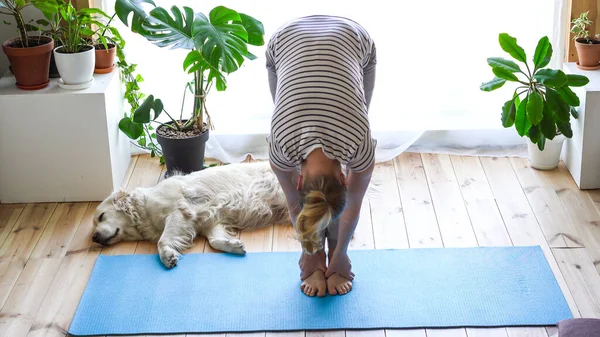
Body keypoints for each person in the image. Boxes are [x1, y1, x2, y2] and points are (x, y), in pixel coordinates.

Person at [265, 15, 377, 297]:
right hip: (283, 42)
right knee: (283, 105)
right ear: (344, 176)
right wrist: (310, 252)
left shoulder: (358, 139)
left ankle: (329, 255)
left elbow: (352, 202)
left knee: (360, 109)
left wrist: (341, 253)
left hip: (355, 39)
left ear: (344, 177)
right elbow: (296, 205)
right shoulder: (281, 142)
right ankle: (315, 258)